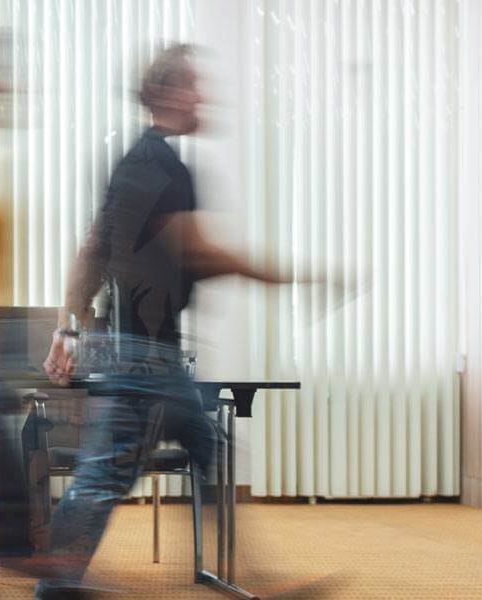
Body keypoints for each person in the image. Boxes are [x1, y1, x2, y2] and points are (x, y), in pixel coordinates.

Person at [33, 44, 293, 599]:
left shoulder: (133, 162)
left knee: (206, 450)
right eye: (193, 84)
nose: (203, 95)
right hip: (145, 353)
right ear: (163, 93)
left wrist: (67, 329)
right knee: (105, 476)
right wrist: (283, 276)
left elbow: (91, 250)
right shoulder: (166, 168)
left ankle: (250, 578)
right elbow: (198, 252)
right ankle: (51, 582)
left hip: (148, 350)